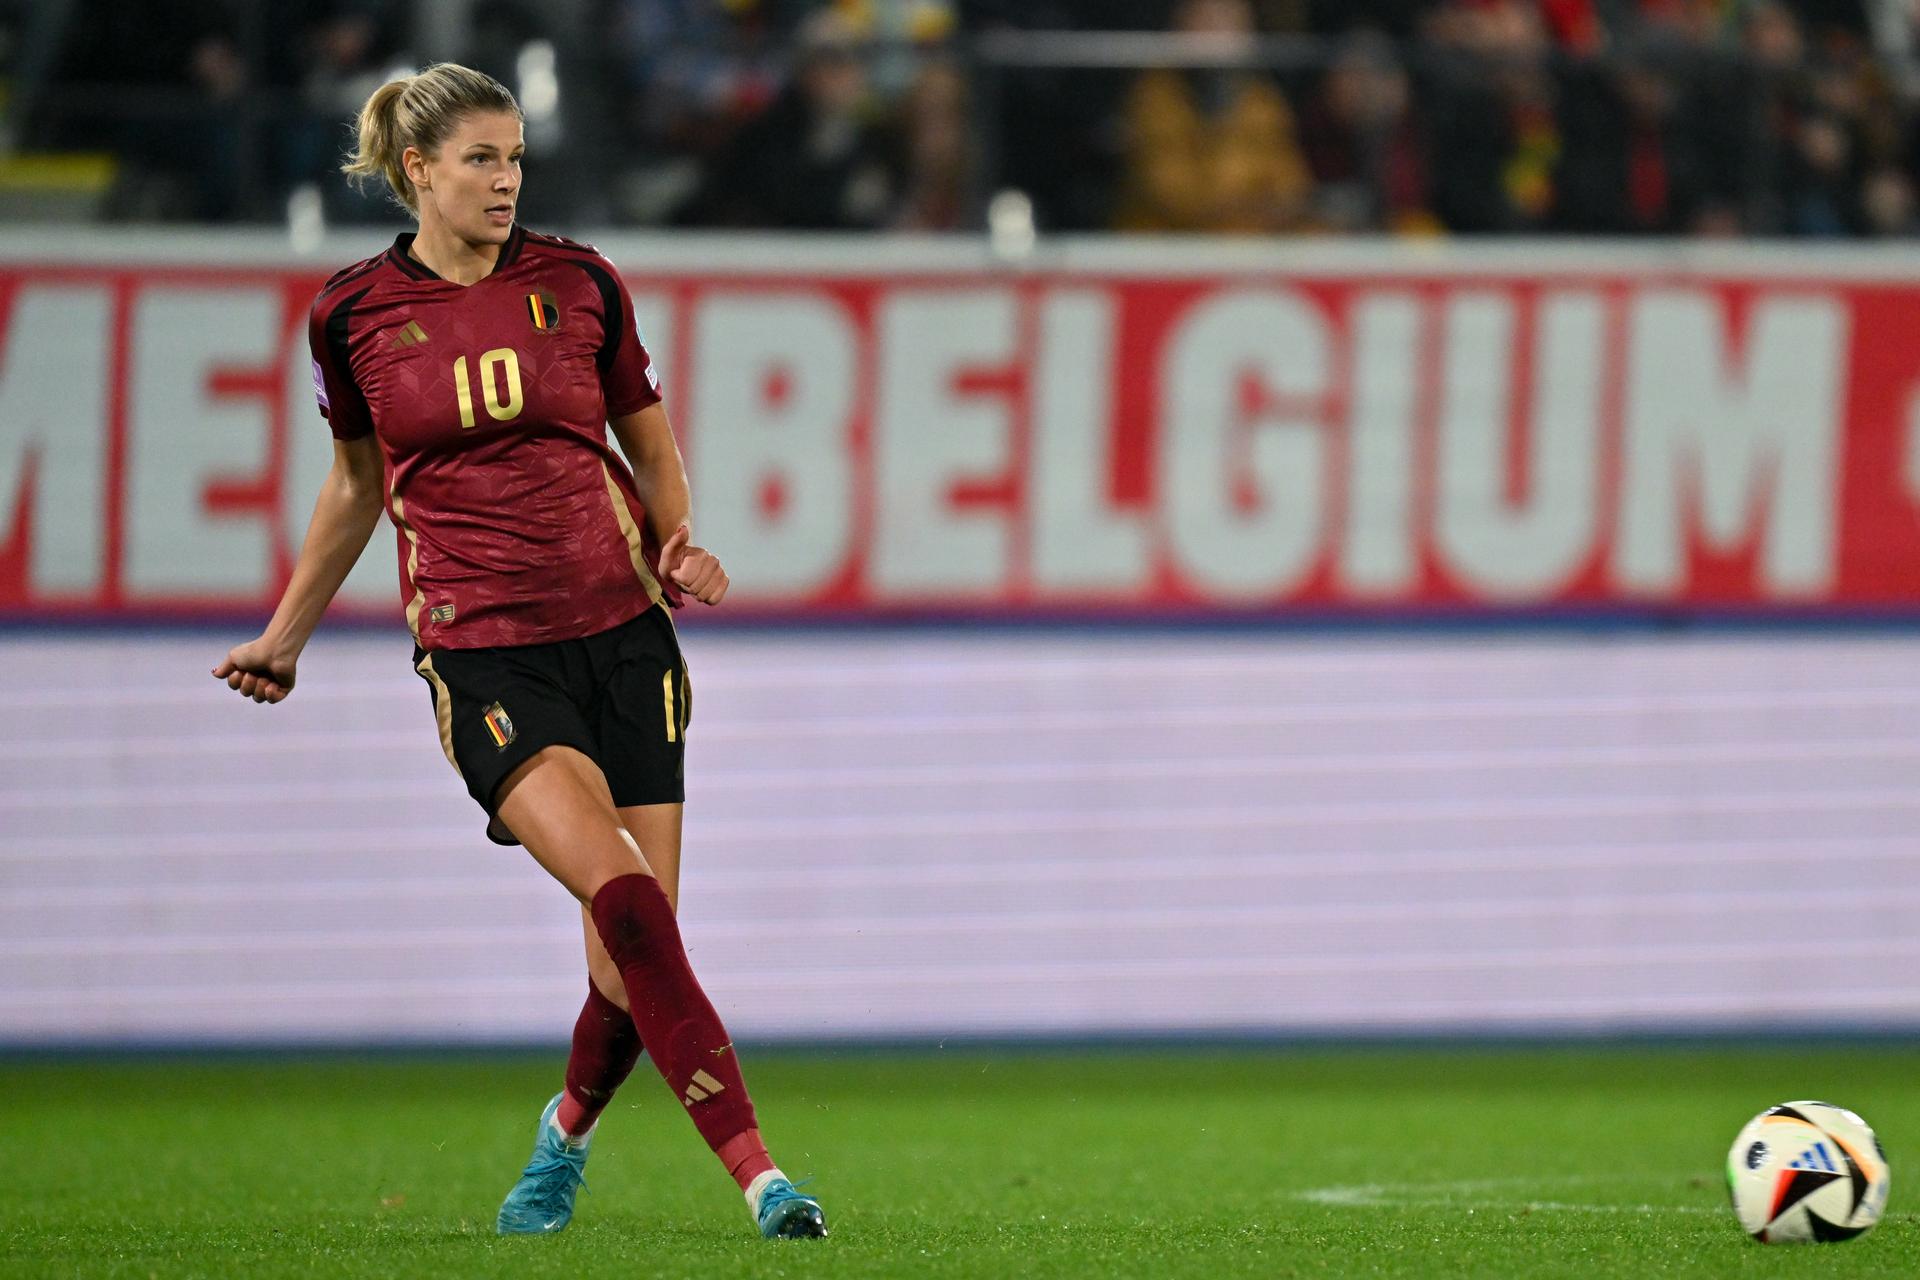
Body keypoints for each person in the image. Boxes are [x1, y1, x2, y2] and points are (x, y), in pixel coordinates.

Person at [211, 62, 827, 1242]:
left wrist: (677, 541)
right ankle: (764, 1178)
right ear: (418, 169)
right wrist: (285, 637)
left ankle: (564, 1135)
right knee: (631, 904)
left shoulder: (580, 282)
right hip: (486, 654)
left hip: (625, 640)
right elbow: (355, 487)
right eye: (482, 159)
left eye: (517, 160)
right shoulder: (351, 315)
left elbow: (650, 446)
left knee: (625, 961)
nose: (506, 181)